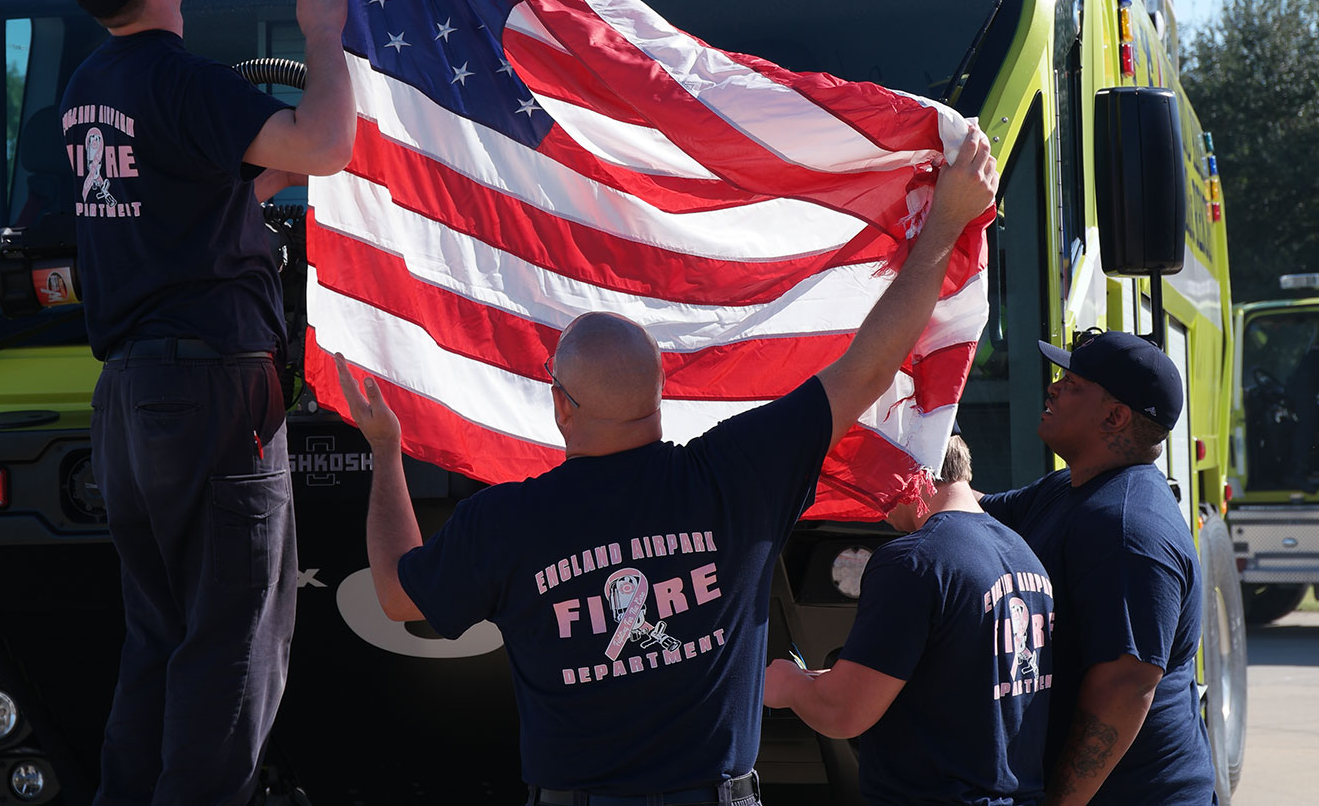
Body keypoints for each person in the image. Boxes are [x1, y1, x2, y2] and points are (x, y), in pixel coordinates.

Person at [335, 132, 999, 806]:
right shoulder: (735, 473)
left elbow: (393, 594)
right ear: (659, 397)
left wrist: (386, 449)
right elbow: (869, 367)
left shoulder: (506, 522)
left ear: (562, 406)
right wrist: (945, 219)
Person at [58, 0, 356, 806]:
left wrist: (251, 188)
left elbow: (185, 205)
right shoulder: (181, 79)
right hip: (212, 393)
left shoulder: (87, 90)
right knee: (236, 636)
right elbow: (327, 142)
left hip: (130, 401)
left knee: (161, 634)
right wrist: (323, 34)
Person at [980, 330, 1215, 806]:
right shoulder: (1069, 488)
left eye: (1071, 382)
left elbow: (1124, 688)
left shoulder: (1127, 530)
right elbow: (975, 513)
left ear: (1114, 416)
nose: (1052, 388)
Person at [760, 433, 1053, 806]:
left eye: (872, 477)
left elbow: (842, 714)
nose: (873, 499)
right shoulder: (1023, 554)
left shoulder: (913, 561)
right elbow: (962, 684)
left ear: (906, 472)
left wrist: (786, 684)